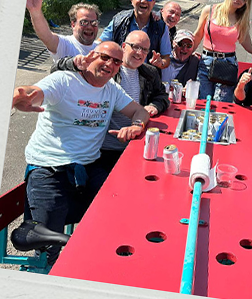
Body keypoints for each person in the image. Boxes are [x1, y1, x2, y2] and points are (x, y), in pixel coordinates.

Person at [12, 41, 151, 264]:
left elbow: (139, 111)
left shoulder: (111, 89)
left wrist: (136, 125)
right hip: (49, 168)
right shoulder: (64, 81)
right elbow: (35, 92)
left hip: (88, 167)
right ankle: (52, 272)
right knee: (48, 243)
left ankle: (101, 263)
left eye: (116, 61)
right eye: (105, 57)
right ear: (91, 56)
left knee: (120, 210)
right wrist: (23, 98)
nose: (110, 64)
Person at [53, 30, 170, 175]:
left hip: (135, 145)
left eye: (144, 49)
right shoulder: (106, 70)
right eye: (135, 47)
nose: (139, 53)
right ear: (123, 46)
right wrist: (74, 63)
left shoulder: (150, 72)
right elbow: (57, 69)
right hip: (102, 149)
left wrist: (154, 106)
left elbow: (162, 96)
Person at [190, 0, 252, 102]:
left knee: (221, 105)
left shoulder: (241, 20)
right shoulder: (209, 10)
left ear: (245, 3)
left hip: (228, 65)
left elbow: (248, 46)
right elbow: (197, 36)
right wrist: (184, 55)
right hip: (206, 62)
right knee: (202, 102)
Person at [25, 0, 99, 60]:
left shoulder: (102, 50)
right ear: (73, 24)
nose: (89, 27)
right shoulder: (65, 45)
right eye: (84, 22)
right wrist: (35, 11)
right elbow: (46, 35)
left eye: (93, 22)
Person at [99, 0, 172, 63]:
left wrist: (161, 63)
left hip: (146, 74)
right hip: (119, 71)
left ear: (153, 3)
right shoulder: (119, 20)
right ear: (132, 1)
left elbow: (166, 58)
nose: (143, 1)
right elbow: (100, 43)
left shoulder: (161, 26)